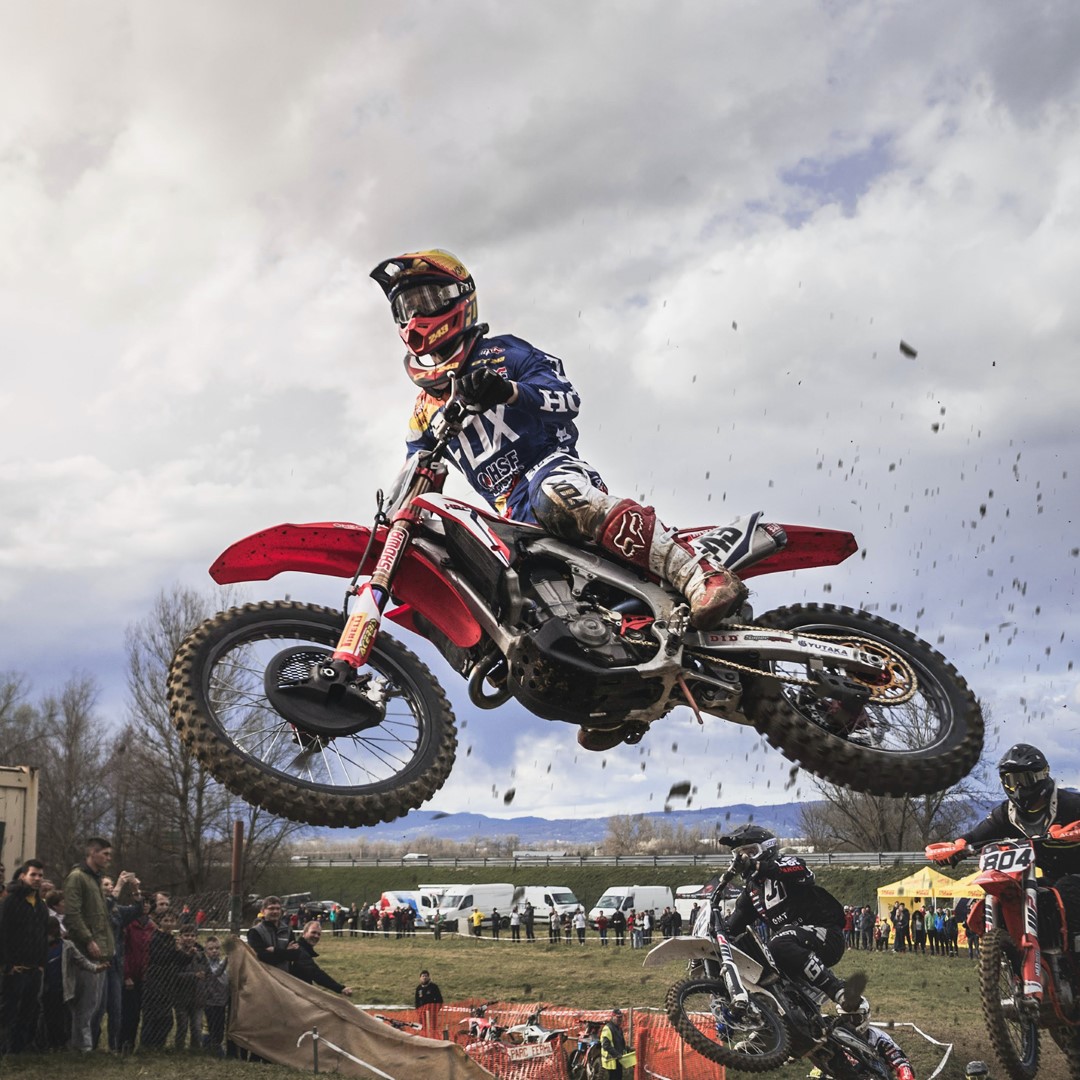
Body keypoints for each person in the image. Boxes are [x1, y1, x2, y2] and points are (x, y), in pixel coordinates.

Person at [371, 250, 757, 751]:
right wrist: (394, 526)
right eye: (406, 306)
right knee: (485, 581)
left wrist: (508, 391)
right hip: (511, 511)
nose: (417, 315)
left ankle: (700, 576)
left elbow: (567, 399)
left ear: (456, 300)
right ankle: (605, 690)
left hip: (551, 472)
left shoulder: (503, 352)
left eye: (425, 299)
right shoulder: (424, 411)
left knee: (557, 494)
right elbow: (418, 472)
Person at [721, 824, 868, 1020]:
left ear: (767, 849)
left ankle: (838, 989)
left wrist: (757, 866)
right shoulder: (752, 891)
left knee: (779, 941)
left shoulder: (786, 863)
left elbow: (800, 870)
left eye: (751, 852)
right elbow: (734, 924)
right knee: (764, 975)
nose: (744, 858)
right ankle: (777, 1029)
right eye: (740, 854)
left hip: (826, 934)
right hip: (791, 950)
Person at [947, 743, 1080, 945]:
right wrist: (957, 846)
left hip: (1076, 876)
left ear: (1041, 777)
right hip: (1051, 878)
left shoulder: (1070, 804)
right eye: (1010, 781)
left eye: (1023, 780)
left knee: (1066, 889)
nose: (1017, 788)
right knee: (1024, 893)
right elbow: (977, 834)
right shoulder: (1007, 814)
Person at [63, 837, 123, 1051]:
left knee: (94, 1004)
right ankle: (81, 1048)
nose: (109, 858)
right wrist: (89, 940)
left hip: (101, 951)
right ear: (92, 853)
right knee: (85, 1004)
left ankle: (86, 1046)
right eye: (105, 853)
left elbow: (101, 915)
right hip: (85, 950)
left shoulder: (95, 879)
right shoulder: (77, 877)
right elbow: (73, 913)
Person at [0, 858, 49, 1053]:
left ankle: (19, 1050)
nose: (37, 879)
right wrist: (7, 965)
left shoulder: (40, 905)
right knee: (8, 1011)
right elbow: (2, 933)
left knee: (28, 1011)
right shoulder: (10, 902)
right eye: (33, 875)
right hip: (14, 969)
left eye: (40, 875)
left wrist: (41, 964)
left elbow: (43, 935)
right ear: (23, 876)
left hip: (34, 969)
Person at [290, 921, 353, 997]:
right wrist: (340, 988)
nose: (316, 936)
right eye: (313, 932)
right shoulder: (299, 950)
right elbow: (315, 973)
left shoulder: (304, 949)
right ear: (304, 933)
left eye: (318, 934)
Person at [247, 896, 299, 969]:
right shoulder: (255, 932)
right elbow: (263, 957)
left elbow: (295, 955)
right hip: (263, 976)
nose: (275, 911)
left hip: (285, 976)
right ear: (263, 911)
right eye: (271, 908)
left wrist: (275, 950)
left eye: (278, 909)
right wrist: (286, 952)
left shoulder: (287, 931)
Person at [202, 936, 229, 1056]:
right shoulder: (205, 965)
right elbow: (216, 973)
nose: (214, 951)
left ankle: (215, 1045)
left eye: (217, 948)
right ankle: (210, 1047)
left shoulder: (221, 963)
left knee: (219, 1026)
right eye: (211, 949)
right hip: (210, 1001)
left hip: (222, 1001)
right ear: (206, 951)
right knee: (211, 1025)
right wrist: (227, 958)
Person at [599, 1008, 635, 1079]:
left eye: (621, 1017)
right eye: (618, 1017)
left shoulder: (618, 1029)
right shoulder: (607, 1028)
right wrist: (617, 1054)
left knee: (619, 1077)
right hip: (611, 1061)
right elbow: (606, 1045)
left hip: (618, 1059)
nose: (620, 1019)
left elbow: (620, 1044)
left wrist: (628, 1049)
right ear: (613, 1017)